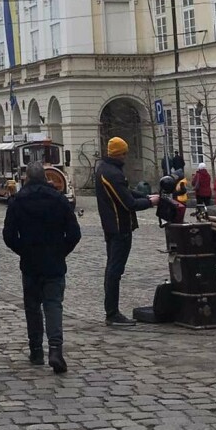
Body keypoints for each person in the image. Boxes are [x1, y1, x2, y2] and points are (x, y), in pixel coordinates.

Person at [1, 163, 80, 374]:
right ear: (45, 177)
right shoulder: (59, 199)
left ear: (26, 178)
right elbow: (74, 233)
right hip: (54, 261)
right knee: (53, 305)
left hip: (30, 262)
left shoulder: (18, 201)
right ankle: (55, 349)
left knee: (32, 307)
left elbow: (8, 235)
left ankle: (36, 350)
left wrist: (22, 250)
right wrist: (61, 251)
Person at [94, 137, 156, 327]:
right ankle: (112, 313)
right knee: (115, 271)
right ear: (119, 154)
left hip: (111, 227)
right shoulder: (113, 174)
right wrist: (150, 202)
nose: (126, 157)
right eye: (124, 153)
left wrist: (145, 195)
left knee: (111, 269)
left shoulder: (104, 169)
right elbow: (129, 203)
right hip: (120, 227)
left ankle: (111, 311)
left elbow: (125, 191)